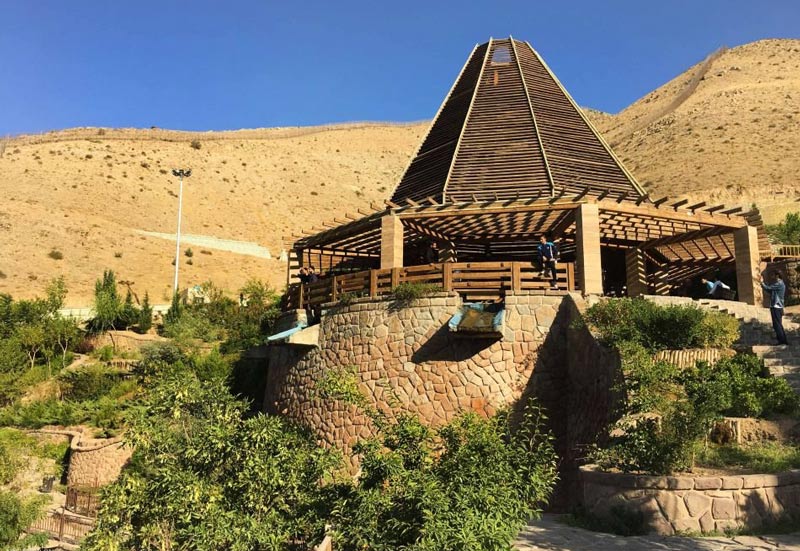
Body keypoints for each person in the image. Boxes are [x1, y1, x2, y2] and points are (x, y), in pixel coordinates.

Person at [757, 271, 788, 345]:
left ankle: (782, 341)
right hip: (777, 306)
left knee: (777, 324)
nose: (772, 276)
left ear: (777, 275)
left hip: (776, 306)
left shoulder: (779, 284)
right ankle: (782, 340)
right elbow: (769, 290)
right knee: (778, 324)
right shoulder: (780, 284)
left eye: (773, 274)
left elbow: (768, 288)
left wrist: (762, 282)